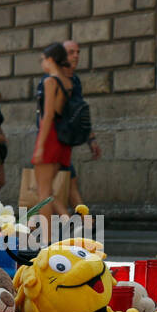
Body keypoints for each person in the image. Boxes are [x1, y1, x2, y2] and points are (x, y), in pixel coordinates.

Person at [32, 43, 73, 229]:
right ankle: (66, 220)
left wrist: (40, 145)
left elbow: (48, 115)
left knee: (43, 192)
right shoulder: (67, 82)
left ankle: (47, 237)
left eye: (42, 60)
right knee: (48, 190)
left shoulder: (50, 81)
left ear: (49, 59)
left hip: (49, 137)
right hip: (62, 139)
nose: (42, 64)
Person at [60, 40, 101, 210]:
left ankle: (82, 223)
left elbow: (80, 113)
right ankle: (83, 223)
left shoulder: (74, 80)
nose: (76, 55)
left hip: (64, 142)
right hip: (54, 140)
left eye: (77, 52)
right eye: (71, 52)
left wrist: (91, 140)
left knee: (68, 182)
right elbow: (47, 115)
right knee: (59, 185)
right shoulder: (53, 80)